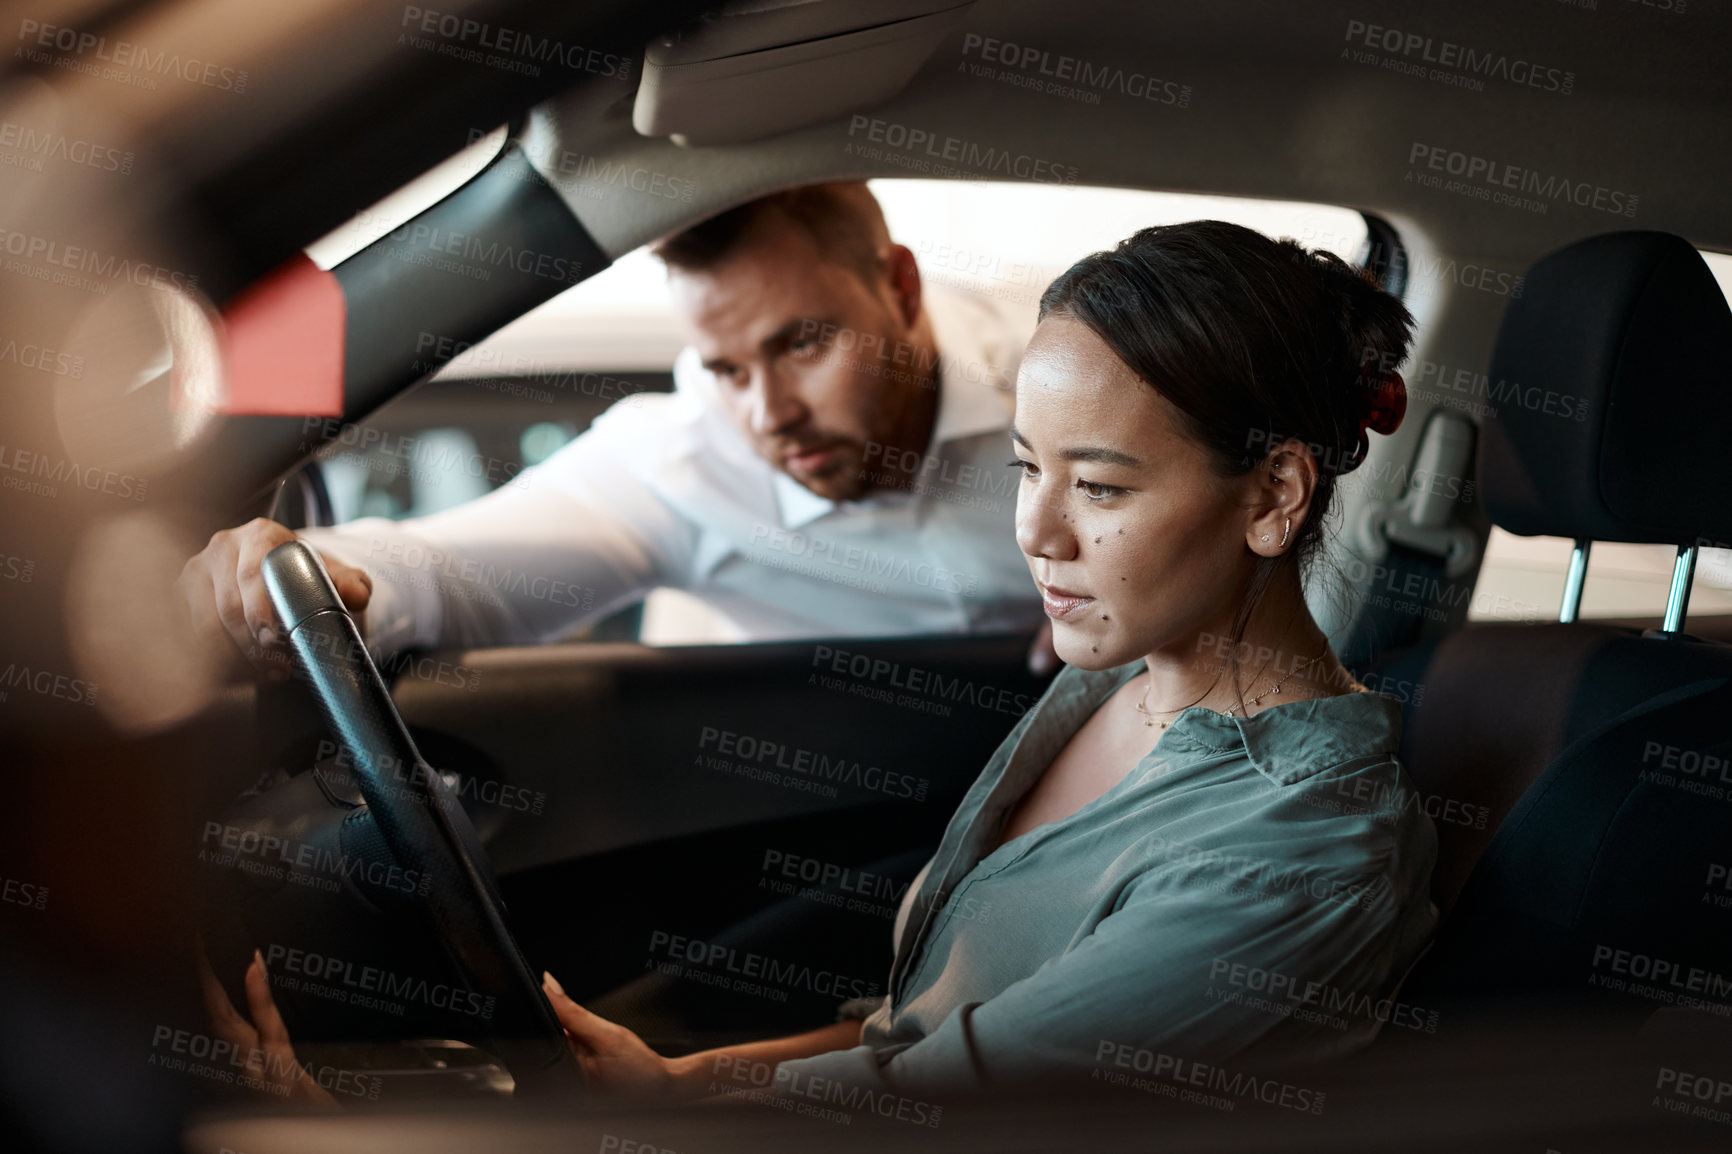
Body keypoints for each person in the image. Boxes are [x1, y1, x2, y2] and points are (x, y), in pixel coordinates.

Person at [526, 220, 1440, 1101]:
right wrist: (682, 1085)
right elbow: (913, 1034)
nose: (1037, 533)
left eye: (1099, 486)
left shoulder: (1298, 850)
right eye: (1025, 469)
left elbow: (952, 1100)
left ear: (1275, 492)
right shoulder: (1115, 680)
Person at [177, 183, 1050, 668]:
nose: (770, 413)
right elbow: (457, 570)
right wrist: (318, 573)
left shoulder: (1076, 383)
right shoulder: (678, 463)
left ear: (899, 286)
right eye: (726, 368)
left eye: (804, 344)